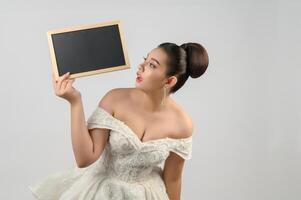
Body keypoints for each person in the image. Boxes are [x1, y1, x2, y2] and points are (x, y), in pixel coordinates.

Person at [29, 42, 209, 200]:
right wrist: (75, 101)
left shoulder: (182, 124)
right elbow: (85, 159)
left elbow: (173, 179)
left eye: (152, 65)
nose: (140, 67)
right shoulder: (115, 99)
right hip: (101, 190)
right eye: (145, 60)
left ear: (169, 81)